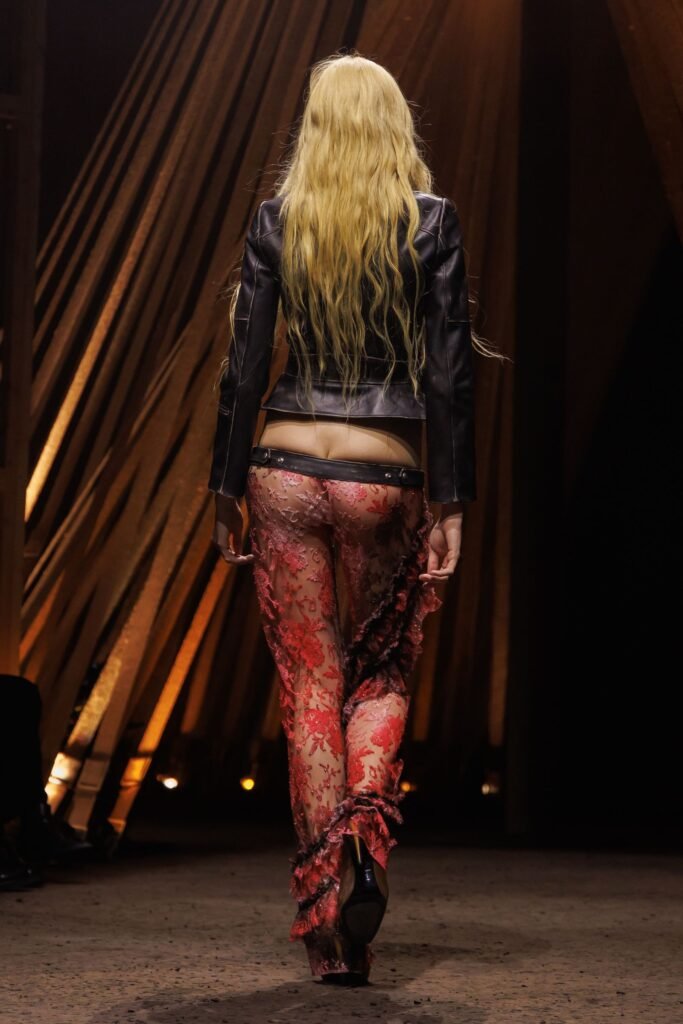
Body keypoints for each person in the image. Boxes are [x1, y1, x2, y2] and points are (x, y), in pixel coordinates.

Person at [208, 51, 485, 985]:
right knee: (379, 675)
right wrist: (450, 500)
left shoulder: (278, 221)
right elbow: (449, 374)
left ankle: (329, 925)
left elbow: (245, 366)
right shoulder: (430, 222)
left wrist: (223, 488)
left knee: (309, 691)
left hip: (282, 468)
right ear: (393, 125)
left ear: (314, 127)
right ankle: (363, 833)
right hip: (381, 473)